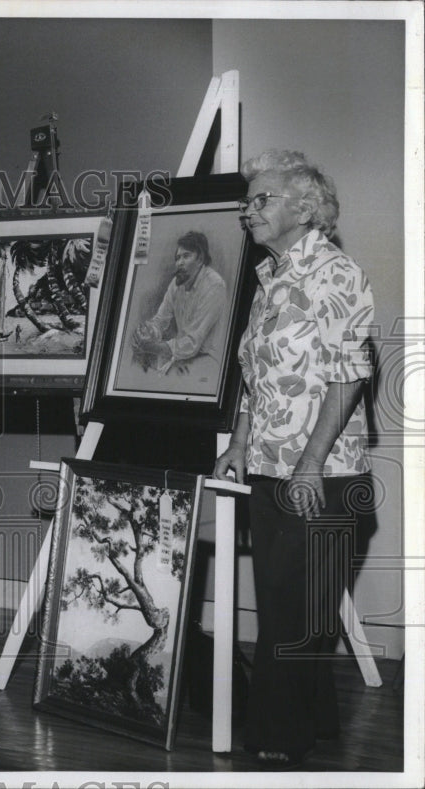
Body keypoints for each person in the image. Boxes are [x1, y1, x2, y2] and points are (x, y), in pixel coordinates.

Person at [214, 150, 375, 768]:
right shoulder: (271, 276)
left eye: (263, 199)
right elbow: (258, 379)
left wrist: (309, 464)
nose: (248, 210)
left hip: (322, 475)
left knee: (292, 612)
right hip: (268, 465)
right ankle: (315, 723)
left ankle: (276, 742)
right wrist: (237, 442)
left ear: (304, 208)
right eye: (247, 200)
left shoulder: (335, 274)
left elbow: (347, 378)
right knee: (290, 605)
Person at [131, 231, 227, 375]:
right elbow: (160, 320)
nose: (179, 263)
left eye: (186, 256)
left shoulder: (214, 285)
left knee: (166, 374)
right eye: (177, 258)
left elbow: (193, 343)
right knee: (139, 361)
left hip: (209, 360)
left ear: (200, 259)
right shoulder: (176, 284)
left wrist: (153, 347)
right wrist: (147, 331)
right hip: (182, 355)